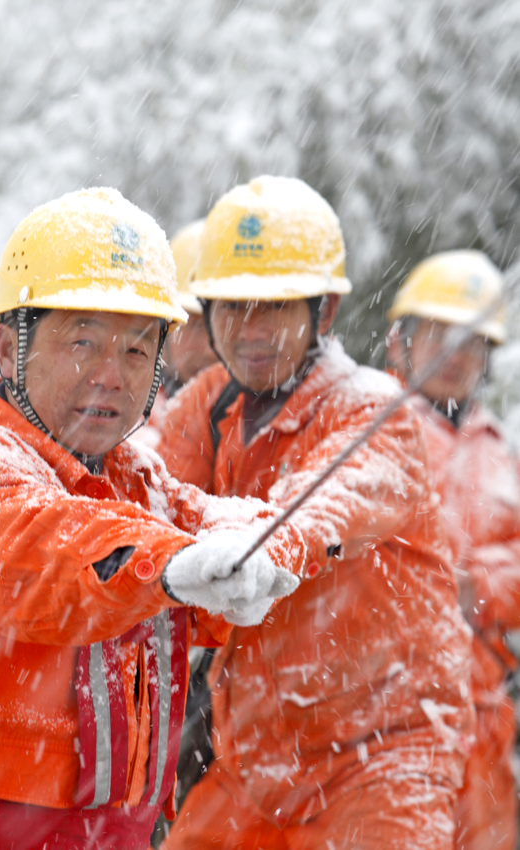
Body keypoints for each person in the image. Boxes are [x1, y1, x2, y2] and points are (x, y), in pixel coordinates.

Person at [0, 188, 306, 850]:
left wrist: (260, 554)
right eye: (82, 342)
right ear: (8, 350)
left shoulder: (135, 481)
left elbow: (216, 528)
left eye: (135, 351)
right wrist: (171, 566)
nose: (110, 375)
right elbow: (49, 552)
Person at [156, 176, 474, 850]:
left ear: (323, 312)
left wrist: (259, 551)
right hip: (252, 765)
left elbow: (318, 509)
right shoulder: (210, 404)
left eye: (274, 307)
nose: (250, 331)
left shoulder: (372, 408)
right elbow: (141, 488)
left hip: (386, 758)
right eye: (232, 308)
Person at [387, 250, 519, 850]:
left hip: (485, 724)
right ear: (400, 342)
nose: (455, 354)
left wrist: (481, 586)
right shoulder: (366, 431)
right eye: (438, 334)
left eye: (471, 342)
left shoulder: (503, 454)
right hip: (382, 721)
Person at [134, 219, 217, 449]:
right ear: (164, 326)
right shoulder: (127, 421)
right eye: (197, 325)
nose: (211, 348)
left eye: (225, 325)